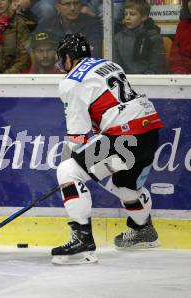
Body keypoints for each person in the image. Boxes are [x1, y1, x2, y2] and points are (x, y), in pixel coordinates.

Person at [52, 33, 163, 265]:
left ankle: (82, 242)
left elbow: (78, 138)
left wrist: (70, 176)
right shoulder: (108, 64)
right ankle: (143, 230)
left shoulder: (71, 82)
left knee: (67, 172)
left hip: (125, 136)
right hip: (149, 131)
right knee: (123, 185)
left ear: (68, 57)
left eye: (63, 57)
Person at [114, 0, 166, 74]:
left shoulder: (153, 37)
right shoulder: (118, 38)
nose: (127, 17)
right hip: (125, 81)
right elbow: (116, 66)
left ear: (144, 17)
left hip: (148, 81)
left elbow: (157, 66)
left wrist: (142, 82)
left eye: (132, 14)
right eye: (126, 14)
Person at [35, 0, 103, 57]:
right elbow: (41, 55)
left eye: (76, 3)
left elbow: (94, 53)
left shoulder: (92, 24)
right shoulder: (47, 25)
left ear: (81, 5)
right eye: (67, 4)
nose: (72, 8)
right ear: (57, 7)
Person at [170, 0, 191, 74]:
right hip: (184, 79)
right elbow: (176, 58)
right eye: (189, 1)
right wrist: (181, 76)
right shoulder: (182, 25)